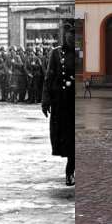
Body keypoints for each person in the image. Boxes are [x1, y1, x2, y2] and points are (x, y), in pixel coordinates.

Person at [42, 20, 75, 186]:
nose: (72, 38)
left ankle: (71, 169)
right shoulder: (56, 53)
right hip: (62, 102)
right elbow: (48, 78)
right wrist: (45, 100)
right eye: (70, 34)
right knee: (66, 138)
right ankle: (70, 171)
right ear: (65, 35)